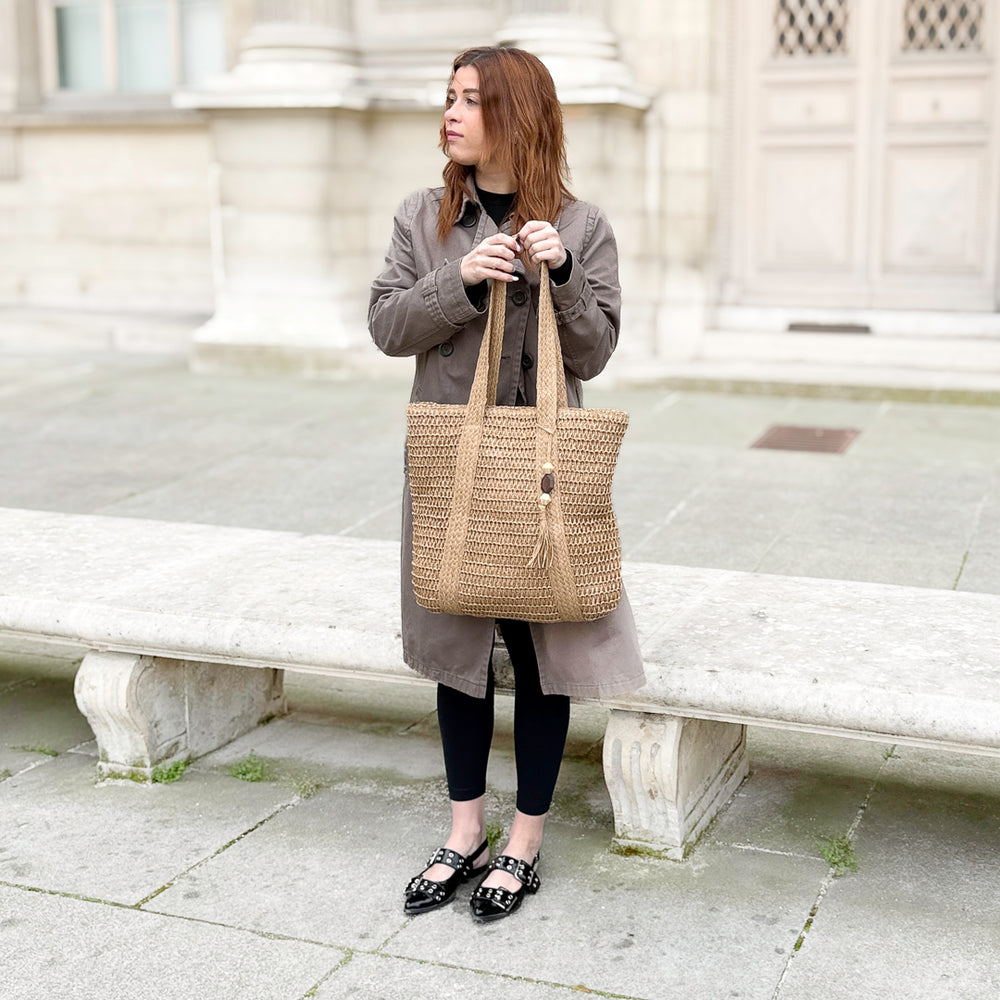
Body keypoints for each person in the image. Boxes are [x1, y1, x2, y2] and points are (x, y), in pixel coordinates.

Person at [368, 45, 645, 923]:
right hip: (453, 460)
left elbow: (594, 352)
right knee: (457, 653)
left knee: (539, 654)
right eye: (448, 97)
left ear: (516, 116)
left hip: (543, 471)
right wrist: (457, 280)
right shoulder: (423, 217)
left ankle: (523, 841)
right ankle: (465, 835)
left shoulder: (582, 225)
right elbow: (386, 325)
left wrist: (560, 274)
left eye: (471, 99)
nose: (451, 114)